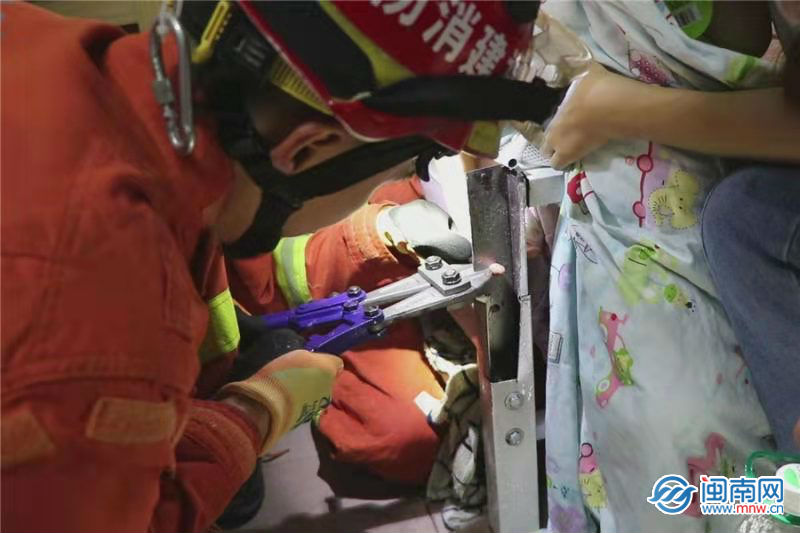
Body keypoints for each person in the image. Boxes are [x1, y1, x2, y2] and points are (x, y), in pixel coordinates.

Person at [1, 1, 562, 531]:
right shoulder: (94, 337)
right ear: (306, 149)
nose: (389, 185)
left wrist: (371, 237)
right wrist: (255, 414)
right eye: (402, 168)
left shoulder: (39, 42)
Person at [535, 1, 799, 532]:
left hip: (703, 211)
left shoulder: (745, 221)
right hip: (620, 228)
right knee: (661, 446)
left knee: (689, 444)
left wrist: (614, 109)